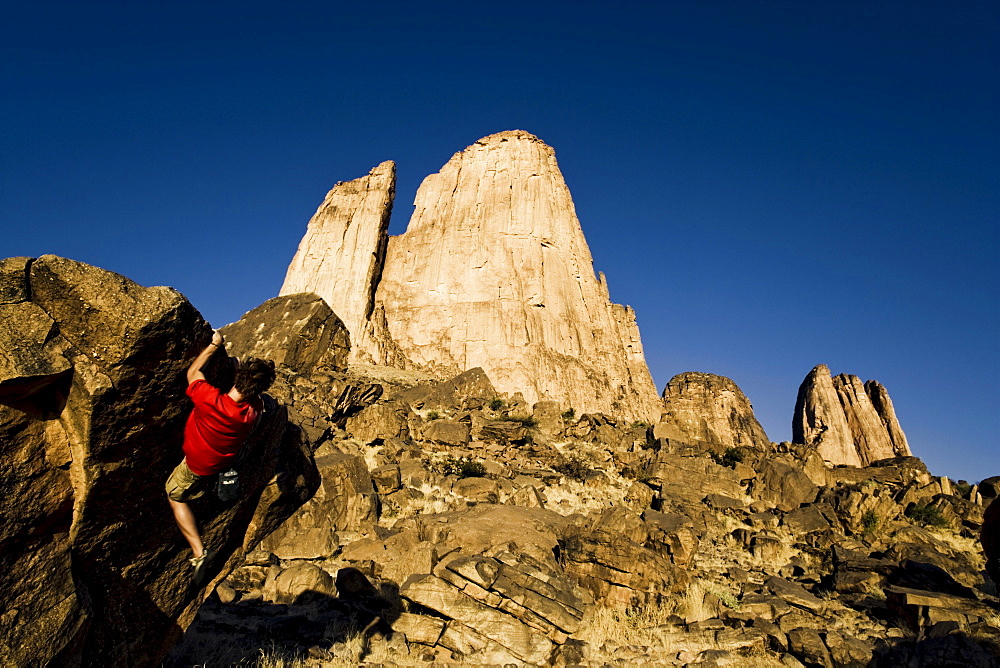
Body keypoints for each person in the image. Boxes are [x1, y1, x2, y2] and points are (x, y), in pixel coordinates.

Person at [165, 329, 276, 584]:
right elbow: (251, 397)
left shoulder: (210, 401)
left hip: (197, 465)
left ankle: (199, 552)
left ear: (239, 377)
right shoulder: (254, 411)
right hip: (228, 457)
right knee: (241, 450)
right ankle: (227, 475)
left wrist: (214, 347)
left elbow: (193, 373)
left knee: (174, 495)